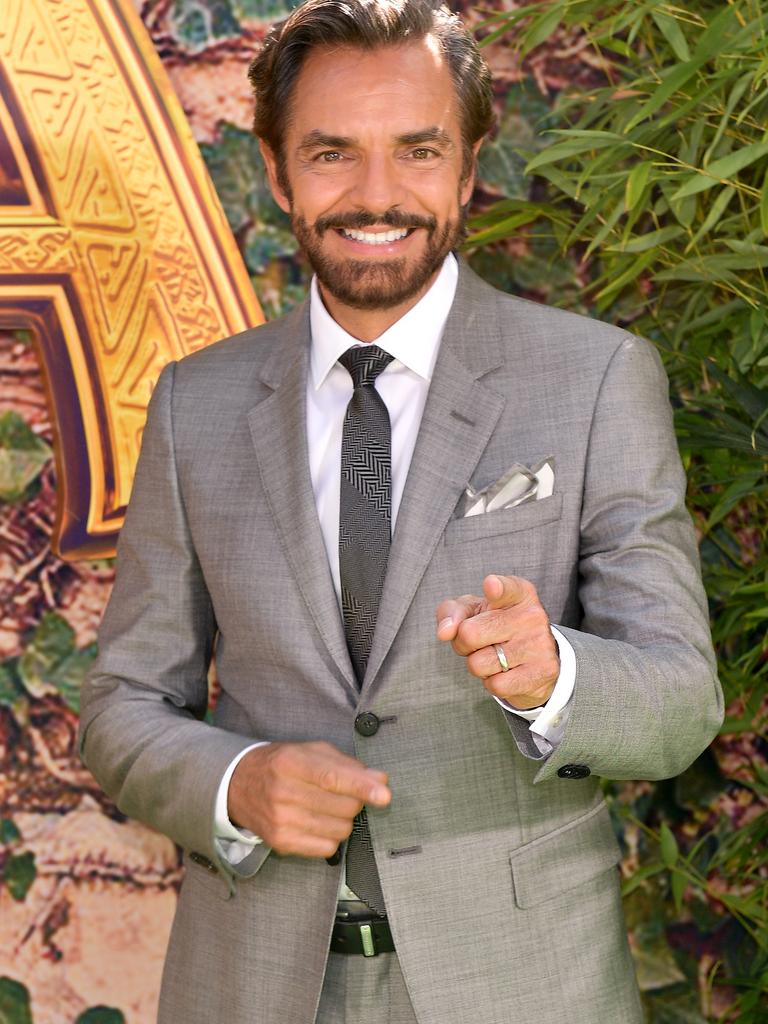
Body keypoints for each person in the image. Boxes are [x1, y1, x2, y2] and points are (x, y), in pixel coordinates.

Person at [78, 1, 723, 1021]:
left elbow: (683, 698)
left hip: (523, 984)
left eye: (418, 150)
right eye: (332, 153)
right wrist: (235, 782)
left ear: (467, 169)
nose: (377, 194)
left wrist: (557, 677)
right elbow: (120, 704)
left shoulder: (597, 378)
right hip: (251, 983)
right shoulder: (193, 403)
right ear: (280, 172)